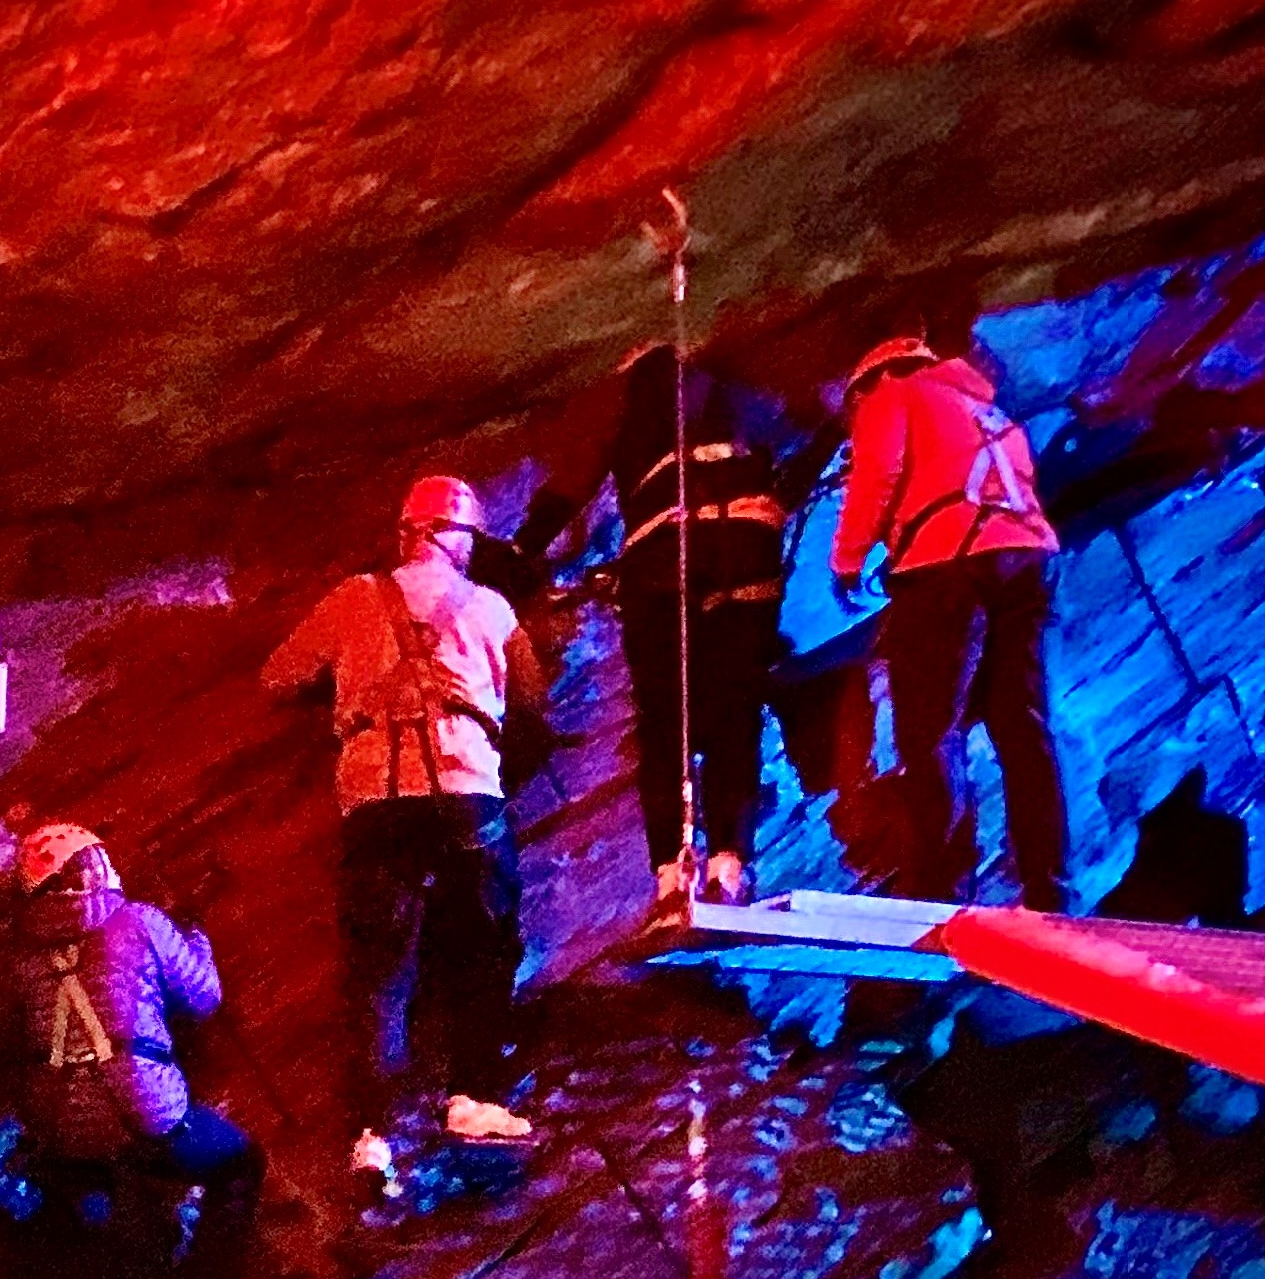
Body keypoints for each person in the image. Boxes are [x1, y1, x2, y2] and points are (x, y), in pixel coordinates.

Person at [260, 473, 551, 1194]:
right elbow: (535, 700)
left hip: (375, 800)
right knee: (482, 948)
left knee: (376, 973)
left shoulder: (353, 598)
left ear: (405, 533)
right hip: (465, 794)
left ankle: (371, 1137)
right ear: (458, 539)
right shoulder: (489, 607)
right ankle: (474, 1098)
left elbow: (278, 676)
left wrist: (353, 686)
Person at [1, 824, 274, 1279]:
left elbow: (10, 1047)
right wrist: (198, 936)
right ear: (88, 872)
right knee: (237, 1162)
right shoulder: (139, 923)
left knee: (84, 1273)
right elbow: (203, 996)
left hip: (68, 1135)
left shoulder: (16, 960)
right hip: (150, 1113)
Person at [518, 347, 808, 910]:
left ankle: (673, 875)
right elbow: (806, 426)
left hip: (665, 564)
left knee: (666, 721)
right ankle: (730, 863)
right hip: (750, 555)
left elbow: (572, 480)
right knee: (735, 712)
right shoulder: (737, 395)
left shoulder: (631, 413)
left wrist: (525, 545)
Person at [835, 331, 1070, 914]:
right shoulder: (990, 411)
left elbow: (878, 474)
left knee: (931, 730)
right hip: (1028, 561)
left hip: (948, 566)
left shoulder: (892, 394)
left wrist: (846, 560)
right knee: (1024, 730)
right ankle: (1050, 888)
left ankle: (942, 891)